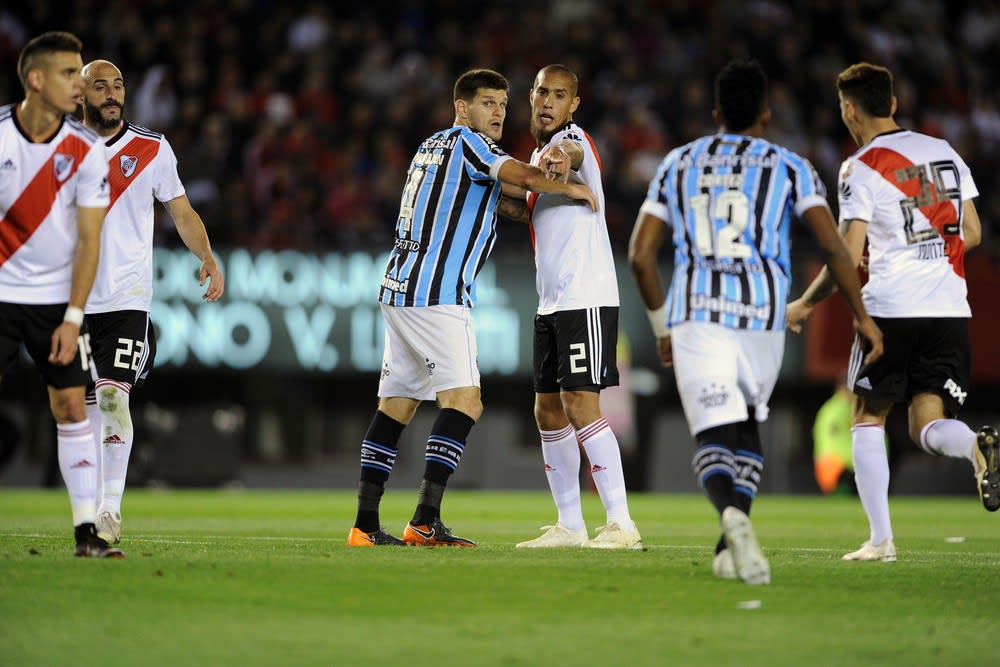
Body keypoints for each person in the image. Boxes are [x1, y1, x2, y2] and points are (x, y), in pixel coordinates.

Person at [628, 58, 883, 584]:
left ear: (716, 112)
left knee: (713, 432)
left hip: (698, 311)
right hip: (763, 317)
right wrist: (861, 317)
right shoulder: (791, 167)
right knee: (746, 426)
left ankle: (729, 517)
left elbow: (640, 254)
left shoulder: (678, 162)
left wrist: (661, 329)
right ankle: (732, 539)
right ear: (766, 114)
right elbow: (835, 248)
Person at [347, 68, 598, 548]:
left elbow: (484, 199)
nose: (499, 112)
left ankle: (364, 523)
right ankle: (425, 518)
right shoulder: (470, 144)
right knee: (465, 401)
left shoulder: (431, 147)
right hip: (438, 294)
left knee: (396, 405)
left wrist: (529, 207)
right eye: (487, 103)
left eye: (503, 104)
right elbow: (522, 176)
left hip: (399, 290)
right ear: (461, 108)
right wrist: (571, 189)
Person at [786, 62, 1000, 563]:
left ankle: (880, 541)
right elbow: (972, 231)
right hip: (949, 306)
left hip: (892, 310)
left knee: (868, 416)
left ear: (849, 110)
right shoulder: (943, 152)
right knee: (927, 421)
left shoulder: (860, 166)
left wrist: (805, 303)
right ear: (895, 105)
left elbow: (845, 253)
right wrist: (930, 250)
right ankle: (975, 448)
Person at [78, 59, 225, 546]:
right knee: (82, 409)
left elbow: (180, 211)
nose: (112, 93)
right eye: (100, 86)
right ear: (81, 95)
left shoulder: (151, 148)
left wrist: (206, 255)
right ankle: (90, 507)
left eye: (118, 84)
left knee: (114, 395)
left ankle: (108, 511)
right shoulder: (58, 149)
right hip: (71, 301)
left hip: (126, 299)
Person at [502, 64, 641, 549]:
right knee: (547, 411)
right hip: (552, 301)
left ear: (573, 104)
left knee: (582, 405)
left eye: (558, 95)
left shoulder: (571, 142)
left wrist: (560, 160)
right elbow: (531, 206)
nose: (546, 101)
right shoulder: (538, 156)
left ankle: (621, 523)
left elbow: (572, 154)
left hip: (586, 296)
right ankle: (570, 526)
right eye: (541, 91)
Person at [0, 32, 119, 557]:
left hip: (54, 302)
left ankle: (85, 534)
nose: (81, 84)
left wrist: (73, 317)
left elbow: (90, 239)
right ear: (36, 80)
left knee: (74, 405)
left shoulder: (88, 150)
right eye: (70, 74)